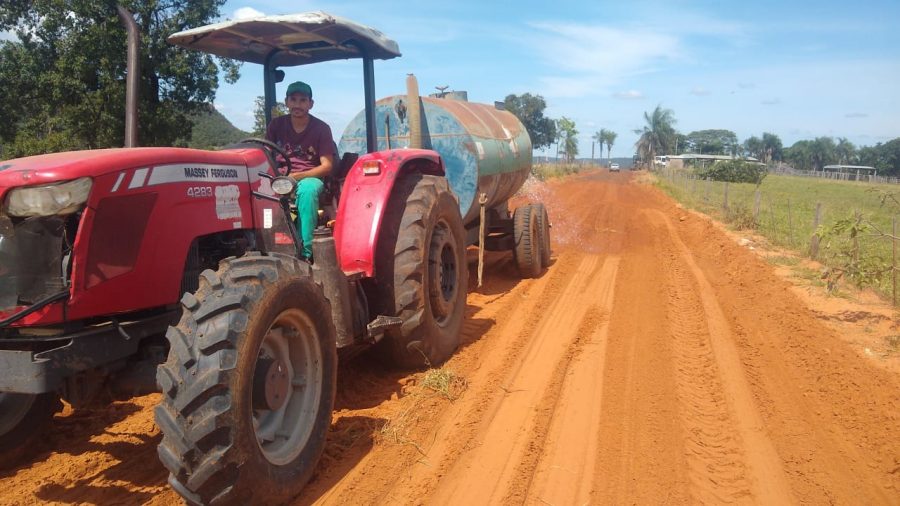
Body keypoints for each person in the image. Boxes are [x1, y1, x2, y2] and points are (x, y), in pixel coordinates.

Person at [265, 81, 335, 260]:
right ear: (286, 102)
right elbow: (265, 155)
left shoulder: (321, 128)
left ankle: (306, 251)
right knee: (258, 193)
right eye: (293, 99)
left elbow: (326, 166)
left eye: (303, 100)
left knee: (307, 191)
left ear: (311, 104)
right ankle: (264, 245)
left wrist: (296, 176)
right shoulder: (276, 125)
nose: (297, 104)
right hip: (280, 178)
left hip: (309, 177)